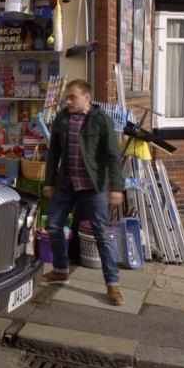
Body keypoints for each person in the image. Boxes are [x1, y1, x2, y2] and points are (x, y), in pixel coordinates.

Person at [41, 79, 125, 305]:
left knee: (101, 235)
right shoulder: (62, 118)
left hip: (93, 188)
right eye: (66, 97)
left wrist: (116, 187)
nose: (68, 101)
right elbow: (54, 154)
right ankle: (60, 270)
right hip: (66, 185)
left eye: (73, 97)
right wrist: (49, 182)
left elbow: (113, 157)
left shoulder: (100, 120)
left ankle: (112, 284)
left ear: (86, 97)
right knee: (53, 226)